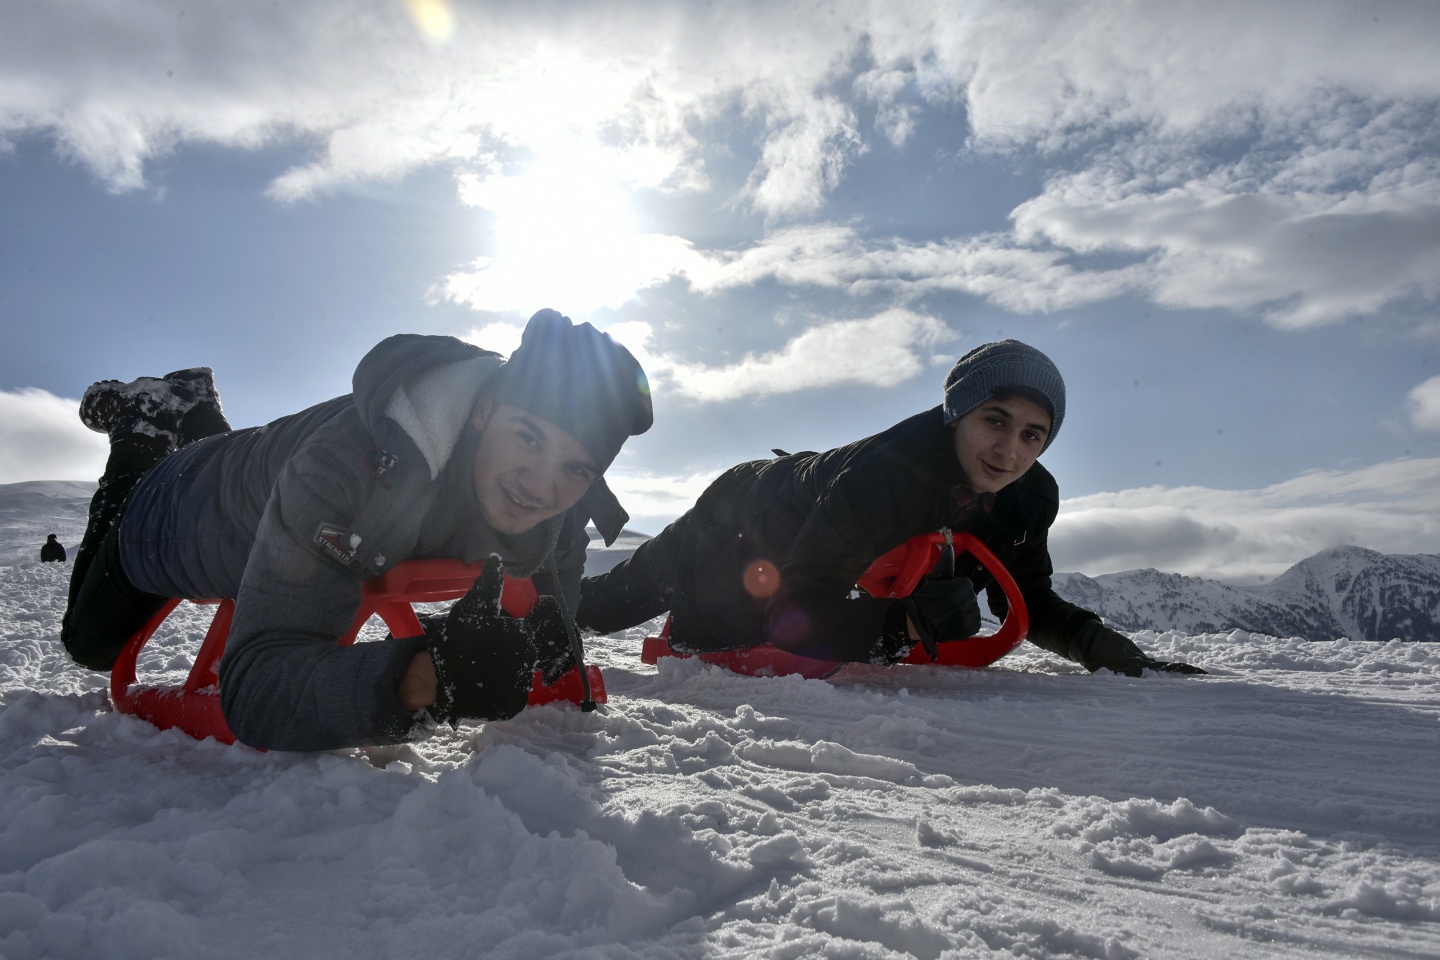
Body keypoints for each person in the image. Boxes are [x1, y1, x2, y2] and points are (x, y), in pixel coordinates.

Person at [62, 309, 652, 750]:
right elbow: (258, 687)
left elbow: (556, 576)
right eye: (528, 437)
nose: (541, 485)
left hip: (259, 465)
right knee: (89, 644)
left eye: (576, 467)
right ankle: (138, 431)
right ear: (482, 410)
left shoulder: (564, 499)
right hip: (176, 513)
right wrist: (423, 676)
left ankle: (193, 412)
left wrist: (549, 640)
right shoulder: (352, 469)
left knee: (237, 460)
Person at [578, 339, 1203, 677]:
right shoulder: (889, 476)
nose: (1010, 450)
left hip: (807, 520)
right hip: (746, 516)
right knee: (616, 610)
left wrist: (1098, 647)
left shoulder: (1030, 495)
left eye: (1033, 434)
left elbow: (1027, 599)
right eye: (995, 420)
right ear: (958, 413)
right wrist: (900, 630)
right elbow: (797, 609)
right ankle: (517, 582)